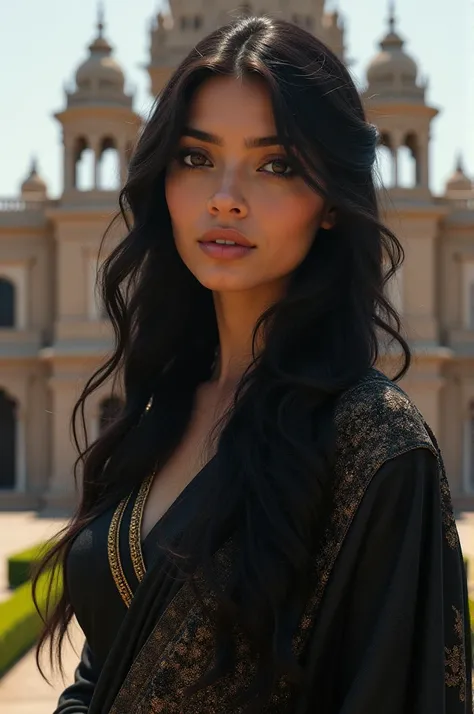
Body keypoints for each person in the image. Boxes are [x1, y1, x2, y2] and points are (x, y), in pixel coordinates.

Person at [34, 15, 471, 714]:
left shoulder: (375, 445)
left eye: (276, 164)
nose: (225, 197)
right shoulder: (162, 408)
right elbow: (104, 673)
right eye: (195, 157)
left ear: (331, 200)